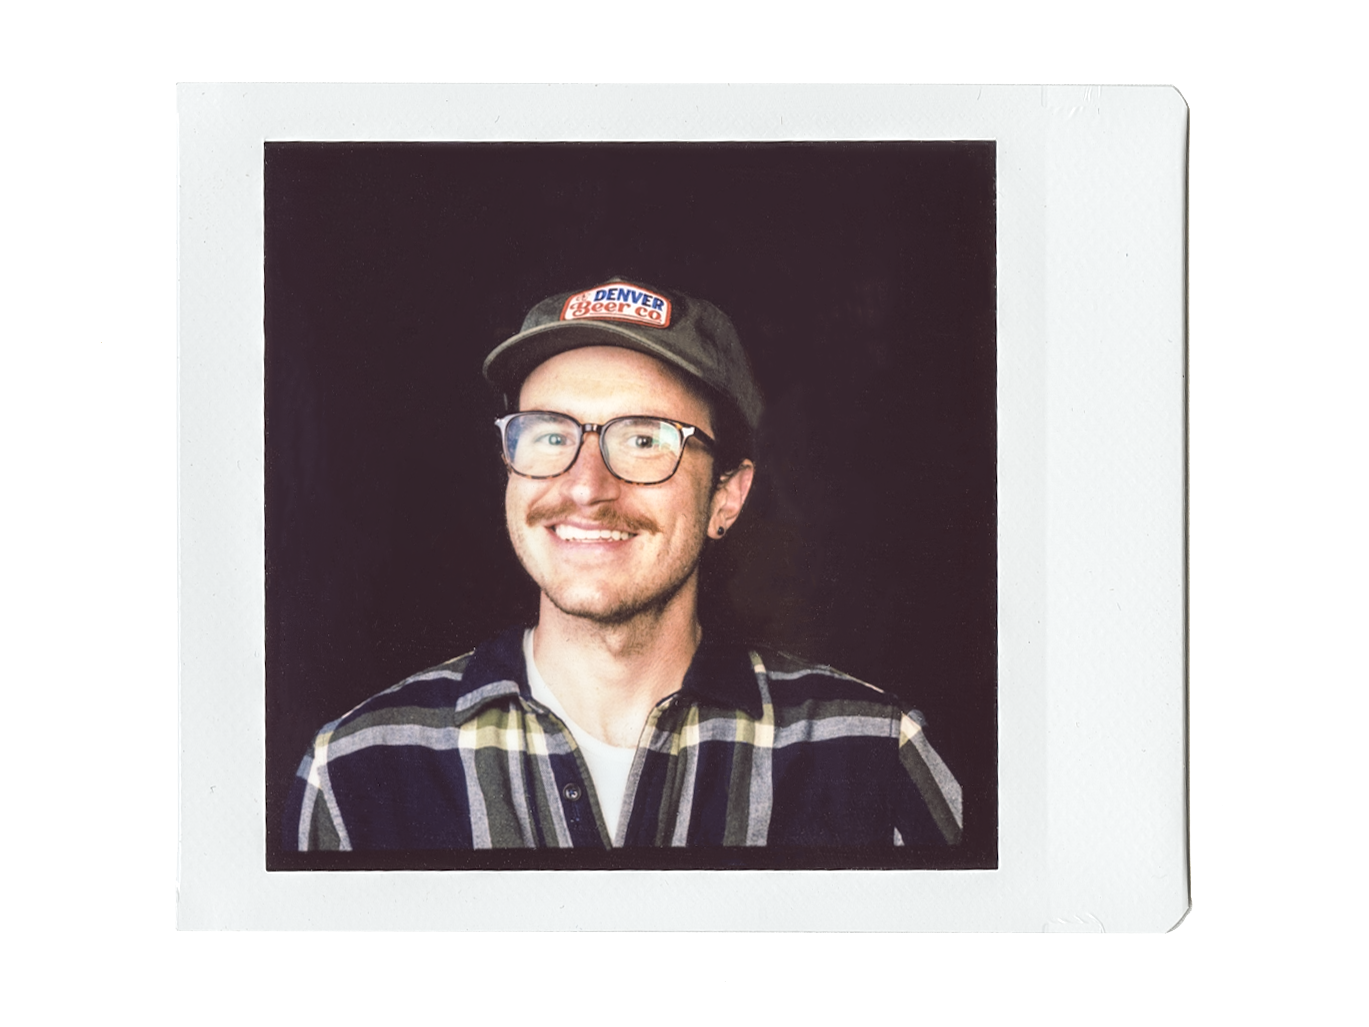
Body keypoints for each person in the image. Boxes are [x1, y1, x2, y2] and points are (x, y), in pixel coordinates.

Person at [285, 278, 962, 850]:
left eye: (643, 440)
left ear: (725, 495)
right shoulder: (355, 773)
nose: (585, 486)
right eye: (550, 435)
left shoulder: (874, 757)